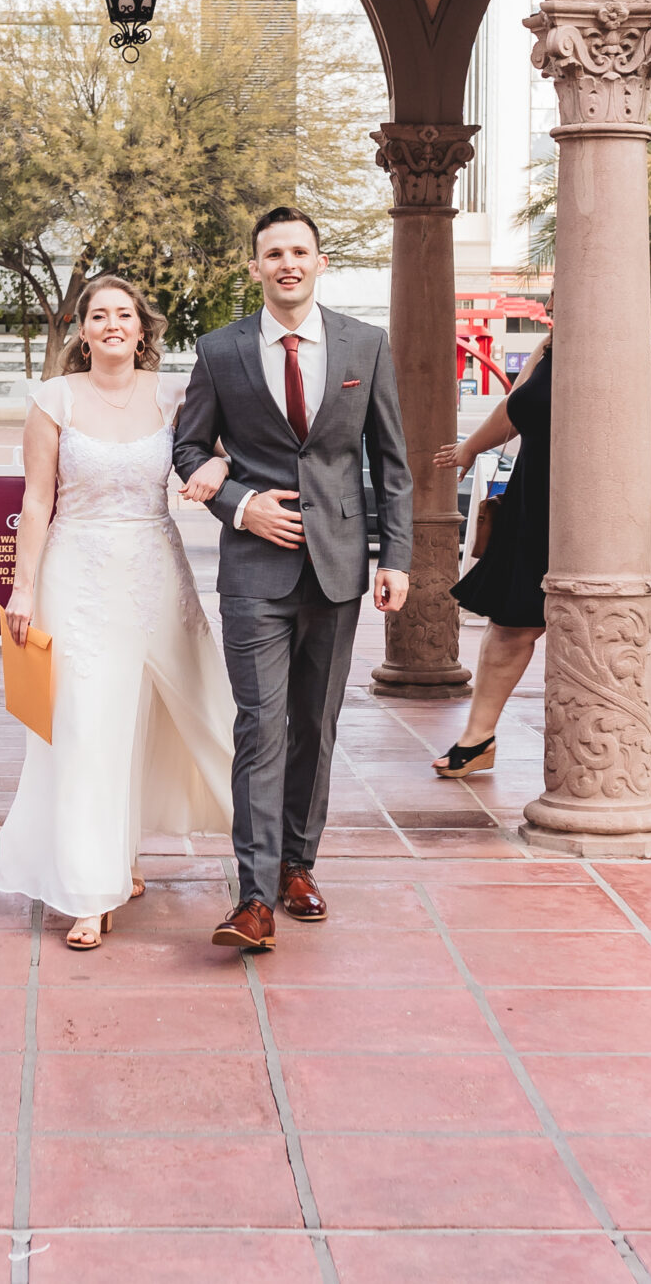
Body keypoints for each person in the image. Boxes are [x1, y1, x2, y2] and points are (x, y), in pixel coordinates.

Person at [173, 208, 412, 954]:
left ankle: (298, 866)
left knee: (316, 723)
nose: (287, 263)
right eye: (272, 253)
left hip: (339, 568)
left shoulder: (364, 344)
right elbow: (186, 450)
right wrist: (240, 505)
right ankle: (252, 893)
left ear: (321, 261)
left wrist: (395, 557)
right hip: (253, 572)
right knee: (260, 726)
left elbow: (391, 462)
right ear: (255, 267)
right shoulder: (220, 351)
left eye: (299, 251)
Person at [0, 277, 240, 950]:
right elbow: (37, 503)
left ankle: (267, 857)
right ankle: (88, 889)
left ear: (141, 327)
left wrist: (218, 468)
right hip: (77, 575)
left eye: (123, 314)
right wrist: (23, 587)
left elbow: (216, 449)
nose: (111, 324)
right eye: (98, 315)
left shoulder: (173, 392)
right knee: (85, 728)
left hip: (156, 573)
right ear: (81, 329)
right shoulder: (52, 399)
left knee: (195, 711)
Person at [426, 340, 651, 779]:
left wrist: (638, 525)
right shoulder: (547, 351)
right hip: (534, 505)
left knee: (623, 625)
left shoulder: (635, 365)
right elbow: (513, 408)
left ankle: (649, 742)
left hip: (614, 511)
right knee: (509, 623)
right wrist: (472, 448)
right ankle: (478, 737)